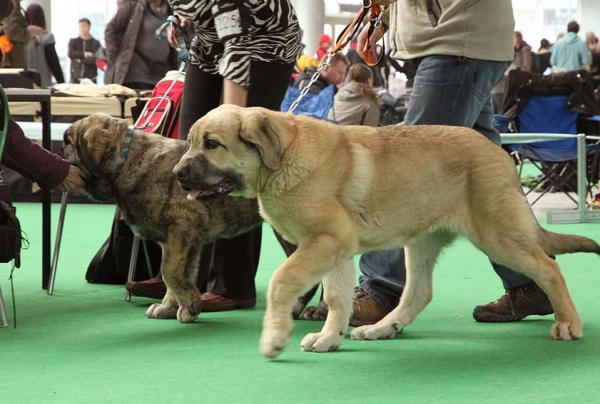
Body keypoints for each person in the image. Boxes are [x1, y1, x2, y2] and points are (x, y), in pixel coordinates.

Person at [340, 0, 554, 326]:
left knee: (406, 169)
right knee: (487, 178)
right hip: (454, 40)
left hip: (456, 40)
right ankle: (531, 281)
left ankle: (380, 288)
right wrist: (382, 17)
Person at [125, 0, 301, 311]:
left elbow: (238, 51)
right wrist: (184, 15)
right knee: (188, 152)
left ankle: (234, 285)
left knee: (232, 161)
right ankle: (182, 276)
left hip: (262, 47)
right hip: (208, 41)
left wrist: (231, 125)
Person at [104, 0, 178, 89]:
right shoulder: (133, 5)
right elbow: (111, 30)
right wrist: (114, 58)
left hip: (164, 71)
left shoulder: (172, 9)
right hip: (137, 72)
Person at [24, 3, 64, 88]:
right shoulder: (47, 37)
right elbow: (54, 63)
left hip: (23, 85)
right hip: (42, 86)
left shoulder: (20, 39)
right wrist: (62, 83)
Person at [67, 18, 102, 83]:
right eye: (80, 26)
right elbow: (70, 54)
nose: (82, 28)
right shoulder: (73, 42)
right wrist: (85, 54)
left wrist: (80, 60)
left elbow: (96, 59)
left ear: (89, 27)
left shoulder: (96, 43)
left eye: (84, 26)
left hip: (91, 79)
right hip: (75, 79)